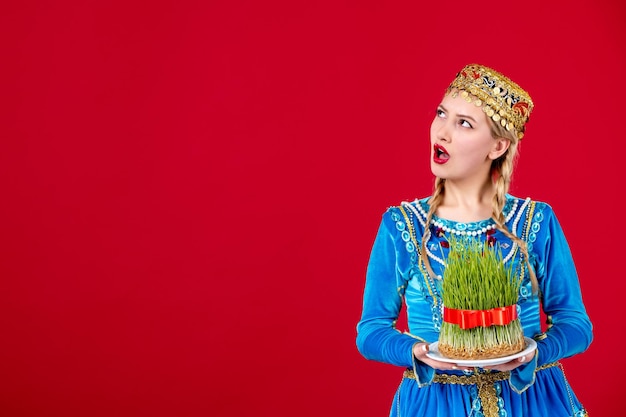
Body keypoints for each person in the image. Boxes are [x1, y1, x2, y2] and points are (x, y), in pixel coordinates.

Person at [356, 63, 593, 417]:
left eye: (463, 123)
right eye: (441, 114)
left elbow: (576, 324)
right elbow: (370, 330)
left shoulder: (534, 222)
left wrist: (535, 353)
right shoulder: (402, 226)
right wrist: (417, 352)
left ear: (497, 146)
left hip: (531, 399)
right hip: (437, 402)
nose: (442, 132)